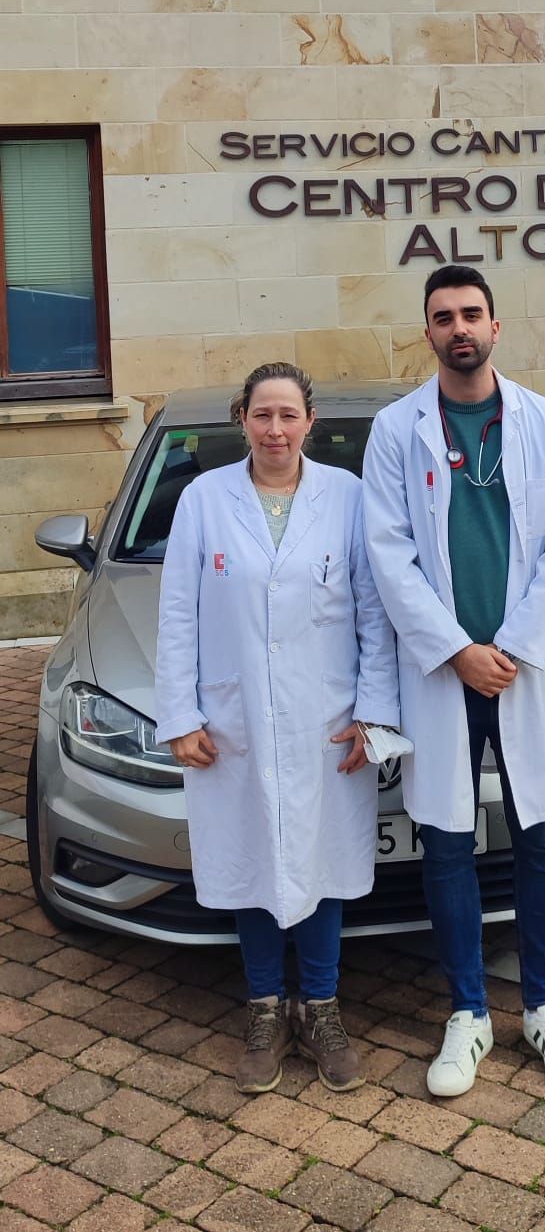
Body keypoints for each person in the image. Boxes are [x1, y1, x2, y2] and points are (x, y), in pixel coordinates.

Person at [362, 266, 545, 1098]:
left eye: (471, 314)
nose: (458, 328)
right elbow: (387, 555)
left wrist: (514, 644)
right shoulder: (396, 431)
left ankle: (542, 1006)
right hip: (444, 669)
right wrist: (457, 649)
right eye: (442, 317)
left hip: (525, 667)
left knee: (541, 835)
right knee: (448, 840)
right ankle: (467, 1012)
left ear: (496, 326)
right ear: (425, 332)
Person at [155, 361, 399, 1097]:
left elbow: (372, 613)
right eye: (262, 415)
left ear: (308, 422)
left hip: (325, 719)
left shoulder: (348, 498)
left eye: (288, 415)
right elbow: (178, 614)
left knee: (321, 861)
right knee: (251, 858)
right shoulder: (203, 500)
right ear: (243, 420)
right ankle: (266, 1010)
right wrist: (181, 715)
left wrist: (375, 713)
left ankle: (320, 1008)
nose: (275, 429)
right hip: (233, 722)